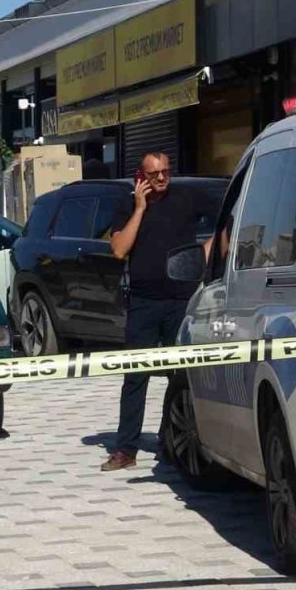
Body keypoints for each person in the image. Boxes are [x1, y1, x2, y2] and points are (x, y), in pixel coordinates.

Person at [102, 152, 219, 471]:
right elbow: (119, 250)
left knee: (179, 376)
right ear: (140, 176)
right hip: (143, 302)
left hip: (180, 301)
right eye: (155, 174)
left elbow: (229, 220)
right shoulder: (128, 204)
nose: (162, 179)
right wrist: (140, 208)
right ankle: (125, 449)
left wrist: (204, 253)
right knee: (135, 376)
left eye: (166, 172)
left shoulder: (187, 197)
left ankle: (176, 442)